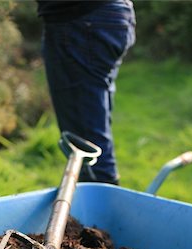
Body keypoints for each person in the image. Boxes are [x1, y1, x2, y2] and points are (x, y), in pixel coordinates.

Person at [37, 0, 136, 184]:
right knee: (93, 128)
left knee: (86, 146)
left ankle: (98, 208)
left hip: (81, 20)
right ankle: (101, 201)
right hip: (106, 15)